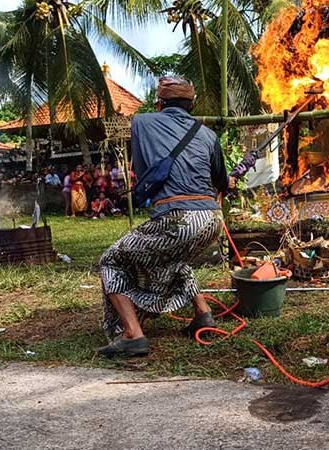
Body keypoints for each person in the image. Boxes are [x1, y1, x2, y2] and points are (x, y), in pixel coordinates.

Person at [95, 76, 232, 358]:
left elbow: (143, 171)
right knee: (173, 258)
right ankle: (203, 313)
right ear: (191, 105)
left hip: (178, 218)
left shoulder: (142, 122)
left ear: (159, 103)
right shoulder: (208, 134)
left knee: (110, 260)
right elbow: (222, 182)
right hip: (212, 221)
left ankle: (133, 334)